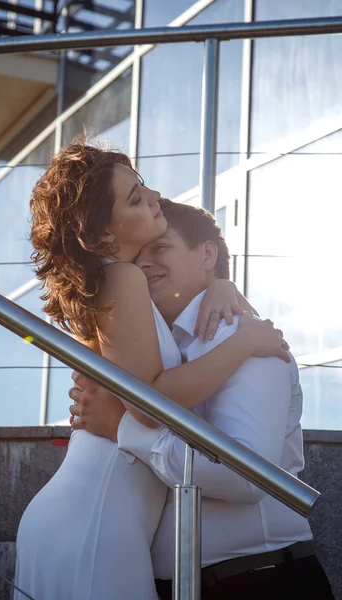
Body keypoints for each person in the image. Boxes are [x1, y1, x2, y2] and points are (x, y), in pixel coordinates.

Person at [14, 140, 289, 600]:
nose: (156, 197)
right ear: (102, 237)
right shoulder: (122, 278)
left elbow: (181, 304)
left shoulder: (116, 286)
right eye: (136, 198)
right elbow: (147, 405)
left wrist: (220, 279)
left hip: (83, 513)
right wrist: (244, 342)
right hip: (98, 516)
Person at [69, 199, 334, 600]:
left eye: (161, 248)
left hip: (259, 580)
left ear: (207, 253)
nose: (143, 264)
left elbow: (245, 476)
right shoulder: (158, 353)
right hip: (183, 585)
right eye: (138, 254)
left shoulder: (246, 339)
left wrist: (122, 428)